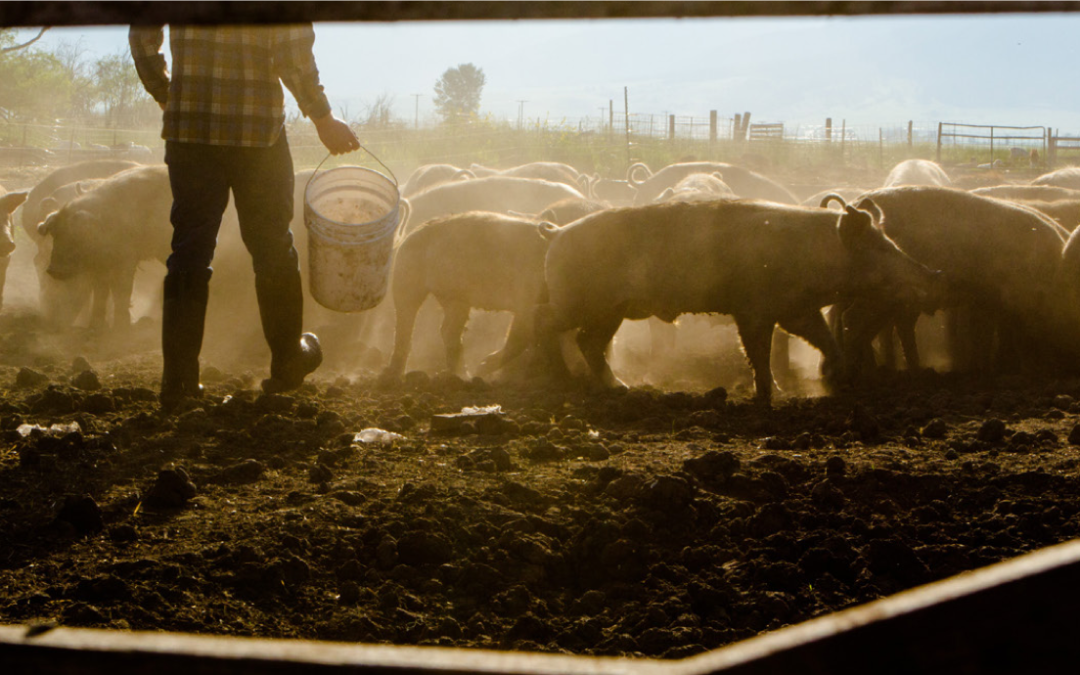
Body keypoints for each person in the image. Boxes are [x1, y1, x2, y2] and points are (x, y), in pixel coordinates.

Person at [129, 24, 360, 410]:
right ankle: (287, 361)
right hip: (258, 136)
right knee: (272, 246)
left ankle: (179, 381)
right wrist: (322, 118)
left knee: (189, 250)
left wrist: (167, 93)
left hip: (190, 134)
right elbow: (292, 53)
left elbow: (142, 34)